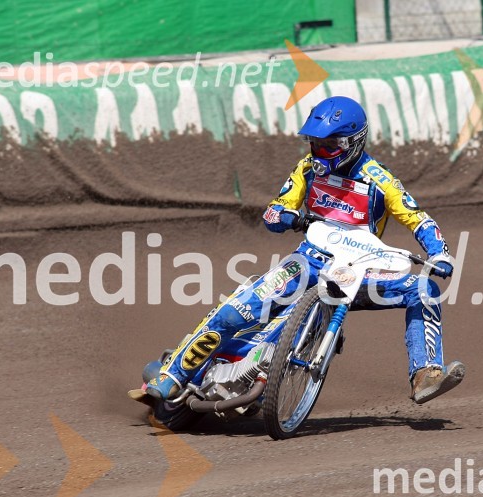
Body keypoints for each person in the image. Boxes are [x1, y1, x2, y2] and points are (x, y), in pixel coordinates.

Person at [145, 96, 464, 405]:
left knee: (423, 288)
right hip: (305, 264)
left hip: (357, 275)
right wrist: (285, 215)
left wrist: (439, 253)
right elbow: (273, 211)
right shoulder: (308, 168)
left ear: (352, 142)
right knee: (234, 312)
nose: (318, 151)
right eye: (314, 143)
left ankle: (425, 373)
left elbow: (417, 218)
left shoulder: (381, 182)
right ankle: (173, 374)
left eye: (327, 145)